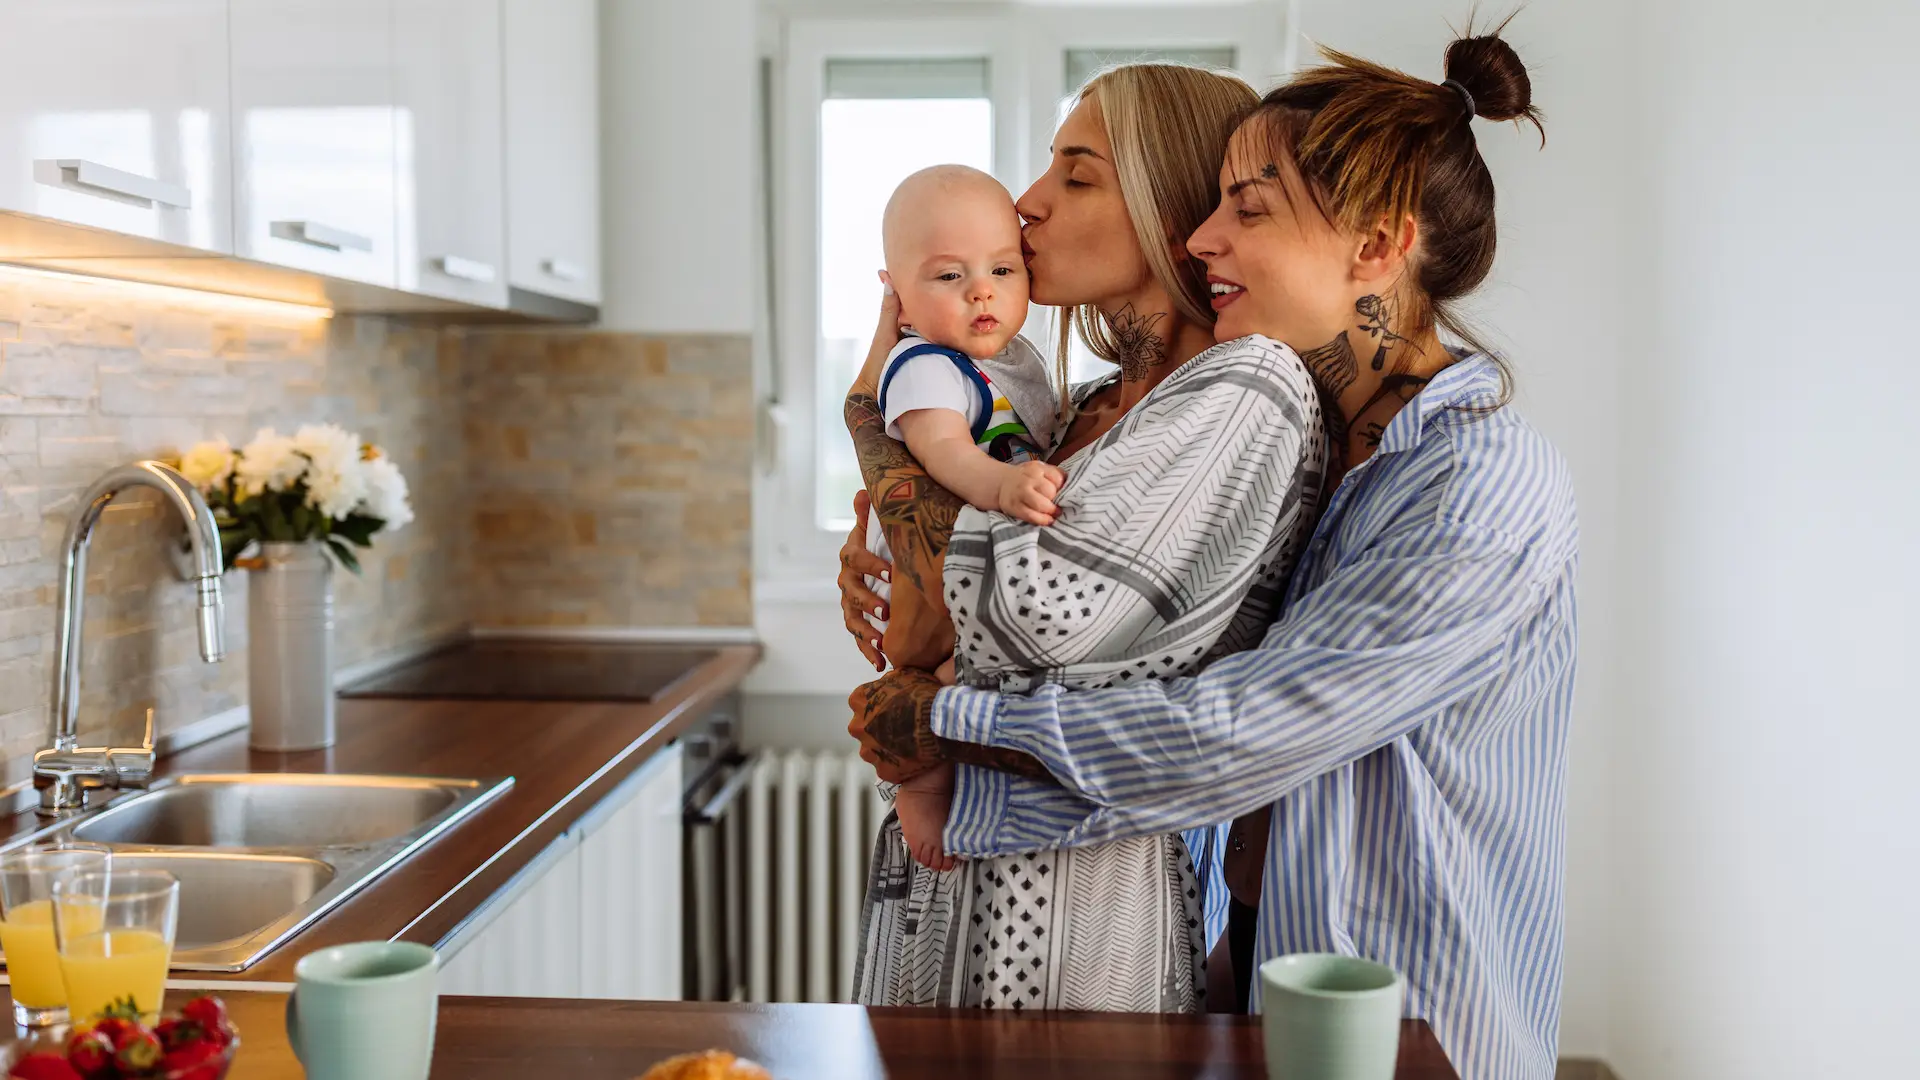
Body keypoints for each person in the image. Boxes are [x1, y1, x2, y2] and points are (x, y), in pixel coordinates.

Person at [841, 27, 1577, 1080]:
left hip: (1427, 1025)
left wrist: (942, 721)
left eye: (1247, 209)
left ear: (1375, 249)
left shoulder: (1477, 483)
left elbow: (1237, 733)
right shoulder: (1326, 457)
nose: (1201, 241)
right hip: (1277, 997)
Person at [842, 63, 1330, 1013]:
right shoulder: (1071, 410)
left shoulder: (1243, 389)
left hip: (1073, 917)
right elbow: (928, 620)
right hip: (943, 892)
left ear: (1169, 201)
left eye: (1076, 176)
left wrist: (873, 429)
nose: (1025, 206)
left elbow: (1028, 615)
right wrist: (899, 547)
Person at [860, 164, 1068, 871]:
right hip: (916, 585)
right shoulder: (924, 364)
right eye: (949, 277)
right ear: (902, 303)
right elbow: (941, 448)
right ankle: (916, 783)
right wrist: (1005, 487)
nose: (982, 289)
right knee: (920, 677)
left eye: (1003, 269)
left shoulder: (1012, 362)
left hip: (966, 571)